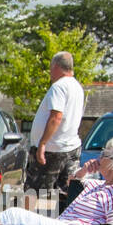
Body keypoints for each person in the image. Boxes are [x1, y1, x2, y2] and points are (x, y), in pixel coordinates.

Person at [0, 137, 113, 225]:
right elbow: (72, 184)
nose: (99, 158)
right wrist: (84, 171)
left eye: (104, 154)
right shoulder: (99, 184)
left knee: (13, 215)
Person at [24, 51, 84, 212]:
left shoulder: (59, 87)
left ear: (56, 67)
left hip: (52, 148)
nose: (50, 72)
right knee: (67, 190)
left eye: (51, 68)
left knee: (34, 190)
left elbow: (56, 116)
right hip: (70, 145)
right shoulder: (77, 87)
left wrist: (42, 144)